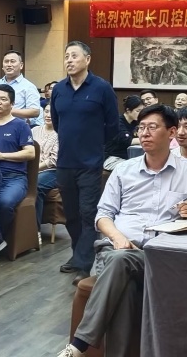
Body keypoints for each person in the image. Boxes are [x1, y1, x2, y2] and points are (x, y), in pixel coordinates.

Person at [57, 104, 187, 357]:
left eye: (152, 127)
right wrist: (118, 237)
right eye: (141, 128)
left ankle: (79, 345)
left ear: (171, 132)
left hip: (161, 257)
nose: (144, 133)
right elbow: (103, 215)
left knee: (122, 266)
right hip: (116, 249)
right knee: (123, 270)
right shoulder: (123, 170)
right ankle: (81, 345)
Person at [51, 41, 119, 285]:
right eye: (66, 56)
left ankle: (85, 263)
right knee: (70, 214)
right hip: (65, 161)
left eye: (74, 55)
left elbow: (113, 125)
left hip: (90, 162)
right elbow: (57, 123)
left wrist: (94, 146)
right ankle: (77, 254)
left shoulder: (101, 88)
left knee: (88, 213)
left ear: (87, 59)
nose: (69, 60)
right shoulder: (59, 89)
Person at [0, 84, 35, 248]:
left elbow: (30, 153)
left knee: (4, 203)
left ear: (12, 104)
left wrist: (2, 156)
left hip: (14, 178)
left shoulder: (21, 125)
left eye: (3, 99)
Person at [0, 50, 43, 126]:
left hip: (16, 127)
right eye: (6, 61)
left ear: (21, 65)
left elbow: (35, 111)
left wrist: (8, 110)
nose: (9, 65)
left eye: (12, 61)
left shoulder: (28, 86)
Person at [32, 104, 58, 234]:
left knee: (35, 186)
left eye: (52, 112)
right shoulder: (34, 130)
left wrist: (34, 170)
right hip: (31, 169)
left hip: (53, 171)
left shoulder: (61, 133)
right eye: (46, 111)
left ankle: (35, 231)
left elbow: (53, 160)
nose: (48, 115)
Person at [103, 95, 143, 171]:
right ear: (128, 110)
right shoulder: (117, 122)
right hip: (112, 158)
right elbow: (127, 140)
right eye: (138, 111)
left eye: (142, 111)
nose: (140, 114)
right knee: (134, 169)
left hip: (128, 158)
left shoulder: (135, 123)